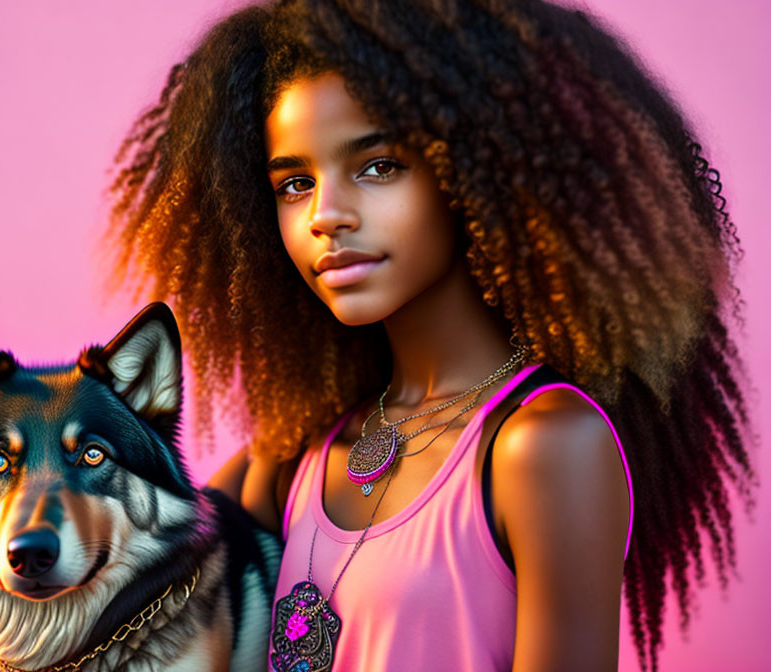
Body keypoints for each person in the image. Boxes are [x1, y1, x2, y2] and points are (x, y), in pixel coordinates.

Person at [105, 1, 756, 670]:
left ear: (477, 173)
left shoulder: (544, 448)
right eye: (296, 183)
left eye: (378, 166)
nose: (326, 215)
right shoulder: (290, 463)